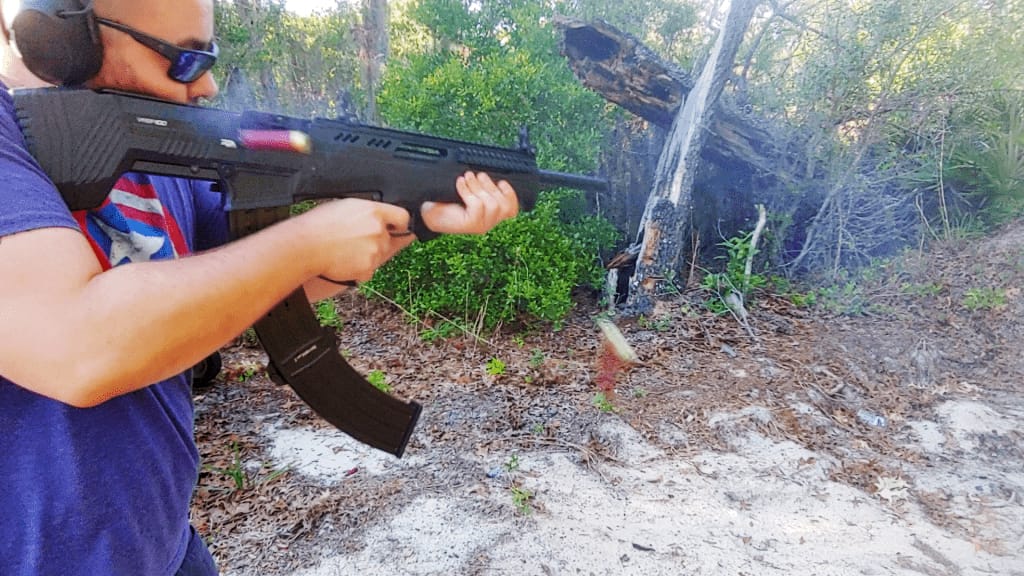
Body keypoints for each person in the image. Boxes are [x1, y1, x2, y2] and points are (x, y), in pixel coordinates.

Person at [0, 1, 520, 574]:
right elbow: (75, 349)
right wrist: (307, 239)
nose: (207, 84)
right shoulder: (16, 137)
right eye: (185, 59)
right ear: (63, 37)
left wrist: (417, 220)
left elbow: (248, 283)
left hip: (164, 547)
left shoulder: (142, 141)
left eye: (210, 58)